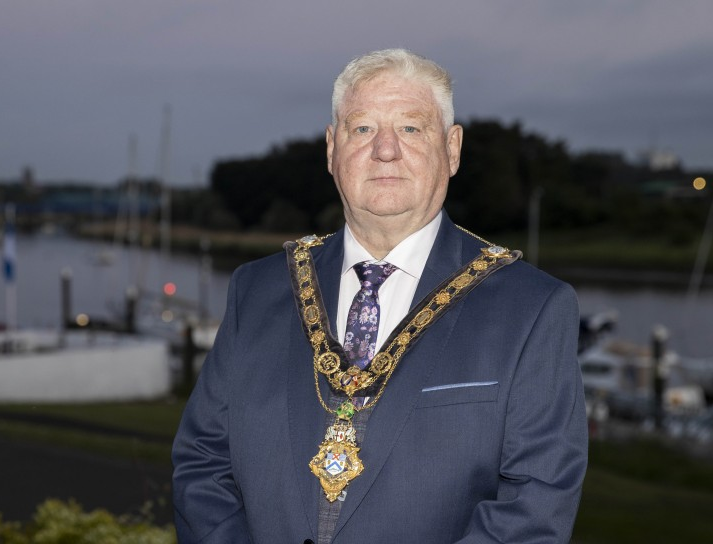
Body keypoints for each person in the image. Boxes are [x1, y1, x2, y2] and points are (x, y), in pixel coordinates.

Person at [172, 48, 587, 544]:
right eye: (362, 128)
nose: (385, 149)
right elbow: (202, 464)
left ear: (452, 149)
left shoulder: (530, 308)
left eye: (411, 128)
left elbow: (534, 507)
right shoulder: (258, 291)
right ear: (331, 149)